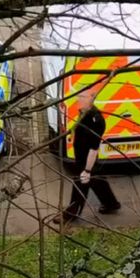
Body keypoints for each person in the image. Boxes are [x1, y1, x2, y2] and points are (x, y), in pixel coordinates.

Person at [54, 73, 121, 225]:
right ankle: (111, 203)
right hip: (83, 157)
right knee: (97, 181)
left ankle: (70, 214)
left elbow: (93, 149)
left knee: (80, 184)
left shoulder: (95, 121)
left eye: (83, 96)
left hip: (86, 161)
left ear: (91, 98)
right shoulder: (85, 113)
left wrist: (87, 170)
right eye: (79, 95)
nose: (79, 98)